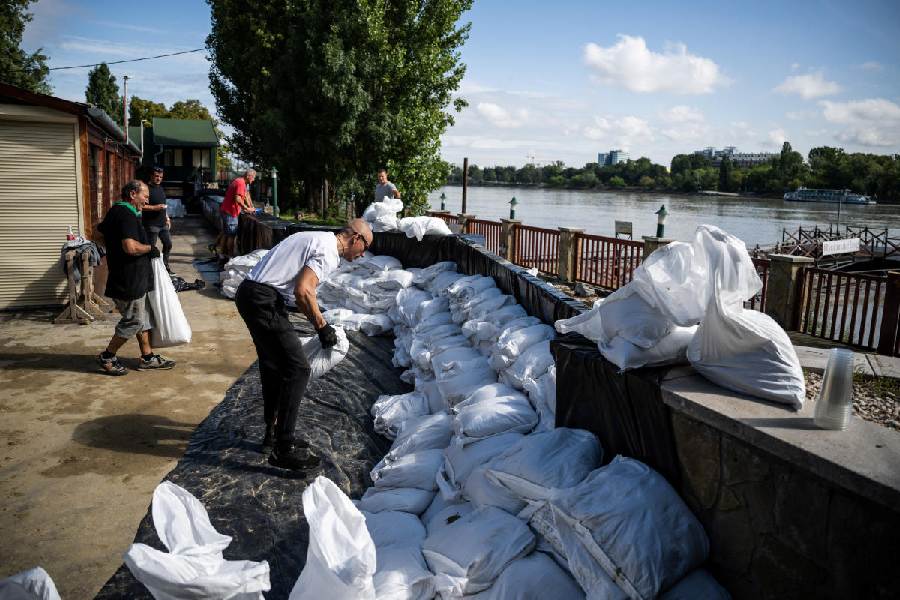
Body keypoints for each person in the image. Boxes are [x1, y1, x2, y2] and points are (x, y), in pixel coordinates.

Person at [235, 218, 373, 470]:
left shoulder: (314, 237)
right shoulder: (329, 251)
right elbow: (303, 290)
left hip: (252, 293)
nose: (363, 255)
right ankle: (283, 448)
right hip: (263, 300)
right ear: (356, 238)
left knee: (273, 365)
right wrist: (322, 328)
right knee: (298, 369)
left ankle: (272, 434)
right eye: (364, 247)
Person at [96, 180, 176, 375]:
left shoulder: (117, 211)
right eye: (145, 196)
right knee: (134, 321)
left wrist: (113, 252)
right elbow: (130, 248)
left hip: (128, 276)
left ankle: (147, 357)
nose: (147, 200)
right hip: (129, 279)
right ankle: (107, 356)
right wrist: (150, 248)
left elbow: (98, 233)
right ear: (132, 194)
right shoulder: (126, 215)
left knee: (143, 319)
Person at [214, 169, 256, 262]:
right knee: (231, 235)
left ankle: (221, 254)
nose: (253, 180)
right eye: (253, 178)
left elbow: (246, 195)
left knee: (225, 233)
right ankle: (230, 256)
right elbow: (237, 198)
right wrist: (246, 208)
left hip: (225, 210)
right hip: (231, 212)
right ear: (249, 176)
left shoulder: (240, 181)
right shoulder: (241, 183)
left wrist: (252, 207)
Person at [142, 166, 174, 274]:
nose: (158, 179)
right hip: (151, 224)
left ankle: (165, 266)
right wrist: (154, 208)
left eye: (160, 177)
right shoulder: (146, 189)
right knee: (150, 248)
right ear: (151, 176)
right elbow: (141, 206)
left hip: (163, 223)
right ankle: (149, 270)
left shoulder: (160, 188)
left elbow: (164, 205)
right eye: (156, 176)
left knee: (168, 244)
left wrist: (167, 218)